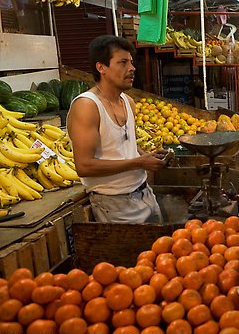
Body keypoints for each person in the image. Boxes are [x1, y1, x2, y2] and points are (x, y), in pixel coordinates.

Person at [67, 35, 168, 224]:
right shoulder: (87, 106)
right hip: (114, 204)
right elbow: (84, 166)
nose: (131, 68)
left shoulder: (128, 102)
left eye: (131, 62)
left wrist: (147, 156)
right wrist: (138, 162)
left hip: (144, 194)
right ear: (101, 67)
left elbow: (124, 146)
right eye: (122, 62)